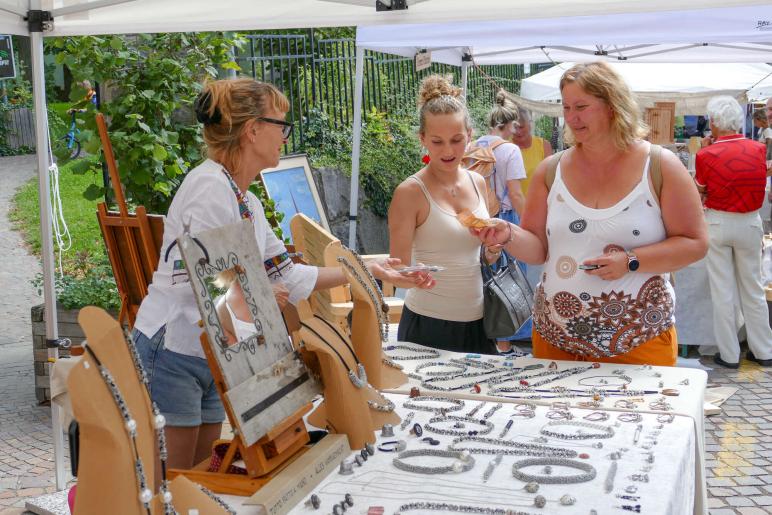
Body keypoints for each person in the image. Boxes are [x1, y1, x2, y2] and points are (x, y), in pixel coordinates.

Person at [131, 78, 434, 470]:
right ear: (252, 130)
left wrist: (364, 270)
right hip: (174, 346)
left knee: (202, 476)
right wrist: (258, 294)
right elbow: (213, 282)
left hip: (212, 349)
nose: (285, 137)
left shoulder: (247, 201)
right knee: (172, 481)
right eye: (281, 125)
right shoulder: (209, 188)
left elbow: (286, 276)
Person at [473, 61, 708, 366]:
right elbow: (537, 249)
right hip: (556, 339)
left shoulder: (660, 166)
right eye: (566, 107)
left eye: (581, 107)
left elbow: (695, 243)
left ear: (612, 106)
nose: (571, 117)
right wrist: (508, 234)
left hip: (638, 340)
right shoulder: (551, 170)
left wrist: (631, 261)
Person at [389, 74, 496, 355]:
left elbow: (479, 256)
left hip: (479, 322)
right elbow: (396, 271)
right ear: (422, 139)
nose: (448, 150)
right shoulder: (410, 192)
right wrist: (412, 277)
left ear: (470, 135)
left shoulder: (478, 182)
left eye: (457, 140)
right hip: (428, 323)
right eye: (437, 141)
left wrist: (493, 249)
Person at [695, 96, 772, 368]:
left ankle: (729, 355)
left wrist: (706, 150)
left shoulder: (705, 154)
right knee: (753, 288)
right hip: (750, 221)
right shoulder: (758, 149)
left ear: (714, 122)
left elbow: (700, 190)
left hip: (718, 221)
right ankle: (763, 351)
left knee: (722, 290)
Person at [472, 92, 527, 355]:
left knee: (485, 279)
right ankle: (505, 342)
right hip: (504, 219)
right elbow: (515, 194)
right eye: (516, 125)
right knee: (509, 280)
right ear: (509, 124)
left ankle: (487, 338)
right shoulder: (510, 150)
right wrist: (526, 225)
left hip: (476, 219)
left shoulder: (472, 146)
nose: (517, 130)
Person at [511, 106, 553, 197]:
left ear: (530, 125)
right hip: (512, 204)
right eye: (515, 128)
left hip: (539, 201)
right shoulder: (506, 146)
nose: (518, 132)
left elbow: (550, 179)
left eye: (521, 127)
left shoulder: (543, 145)